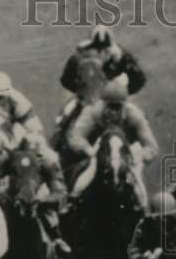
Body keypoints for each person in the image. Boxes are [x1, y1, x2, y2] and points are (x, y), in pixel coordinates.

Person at [66, 78, 159, 211]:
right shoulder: (92, 112)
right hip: (99, 152)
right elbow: (76, 137)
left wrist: (138, 156)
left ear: (124, 106)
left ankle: (143, 210)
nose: (113, 113)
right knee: (88, 173)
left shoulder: (135, 115)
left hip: (127, 154)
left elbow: (152, 147)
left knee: (137, 181)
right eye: (109, 107)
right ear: (103, 104)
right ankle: (73, 201)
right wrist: (89, 150)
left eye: (117, 107)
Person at [0, 130, 72, 259]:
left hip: (38, 204)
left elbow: (60, 192)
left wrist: (44, 199)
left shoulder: (48, 161)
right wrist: (0, 191)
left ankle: (55, 242)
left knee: (49, 218)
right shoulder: (8, 157)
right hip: (10, 200)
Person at [56, 25, 146, 133]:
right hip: (87, 99)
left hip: (116, 100)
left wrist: (121, 92)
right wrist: (82, 89)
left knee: (138, 122)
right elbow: (66, 80)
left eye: (105, 50)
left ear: (111, 48)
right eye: (98, 49)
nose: (102, 53)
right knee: (65, 118)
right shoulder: (79, 57)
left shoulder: (123, 57)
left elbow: (139, 79)